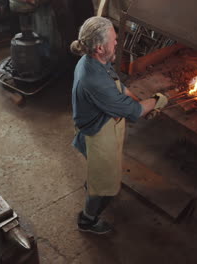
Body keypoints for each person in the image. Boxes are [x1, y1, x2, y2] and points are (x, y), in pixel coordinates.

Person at [70, 16, 168, 234]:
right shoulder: (94, 79)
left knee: (98, 172)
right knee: (104, 184)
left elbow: (118, 85)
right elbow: (135, 111)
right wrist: (158, 99)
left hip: (92, 126)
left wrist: (132, 95)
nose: (117, 43)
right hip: (97, 135)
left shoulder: (93, 61)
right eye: (113, 40)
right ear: (99, 48)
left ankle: (93, 185)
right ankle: (88, 219)